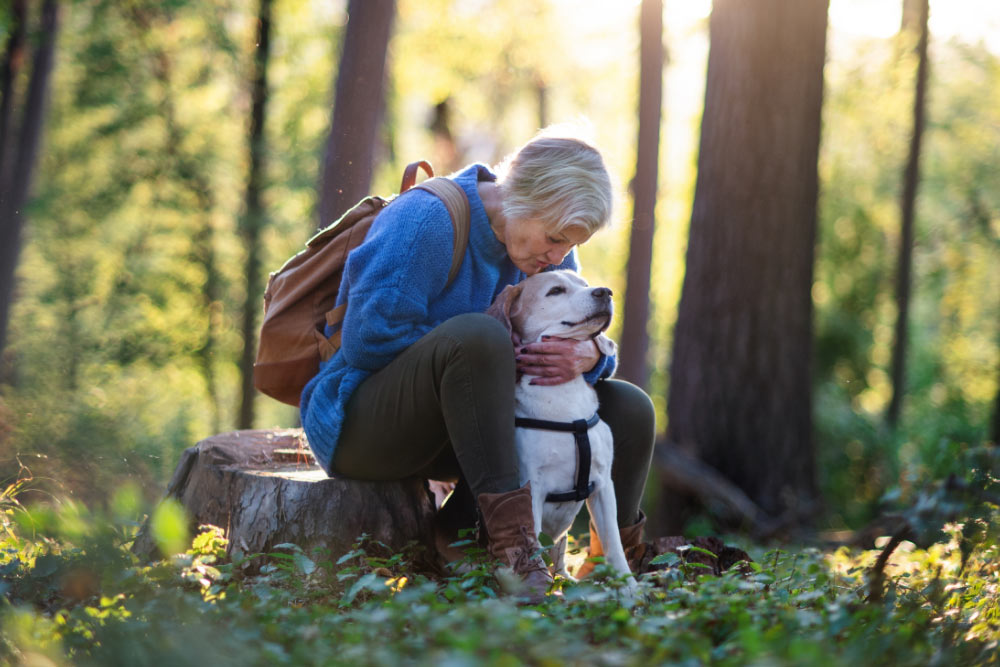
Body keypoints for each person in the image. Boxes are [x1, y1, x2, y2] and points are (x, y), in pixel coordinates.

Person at [300, 126, 656, 600]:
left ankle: (613, 565)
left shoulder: (544, 256)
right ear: (520, 195)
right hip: (365, 423)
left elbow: (577, 327)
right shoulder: (426, 220)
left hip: (469, 431)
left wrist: (589, 354)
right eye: (553, 238)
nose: (558, 257)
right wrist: (485, 357)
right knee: (481, 336)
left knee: (626, 406)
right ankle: (513, 554)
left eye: (568, 246)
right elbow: (369, 340)